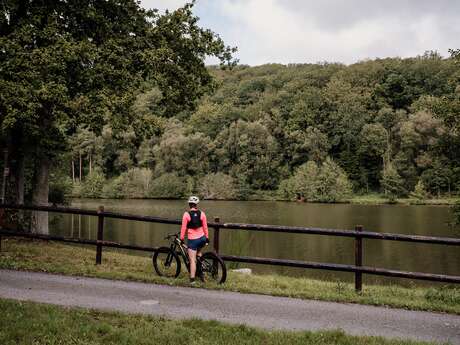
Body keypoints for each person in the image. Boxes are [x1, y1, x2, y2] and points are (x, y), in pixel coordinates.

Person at [180, 196, 209, 284]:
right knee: (199, 254)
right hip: (202, 238)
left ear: (189, 204)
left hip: (193, 240)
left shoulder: (186, 214)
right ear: (196, 204)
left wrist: (181, 238)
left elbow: (183, 228)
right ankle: (201, 274)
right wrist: (207, 238)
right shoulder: (202, 213)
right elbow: (205, 227)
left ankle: (192, 280)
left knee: (192, 259)